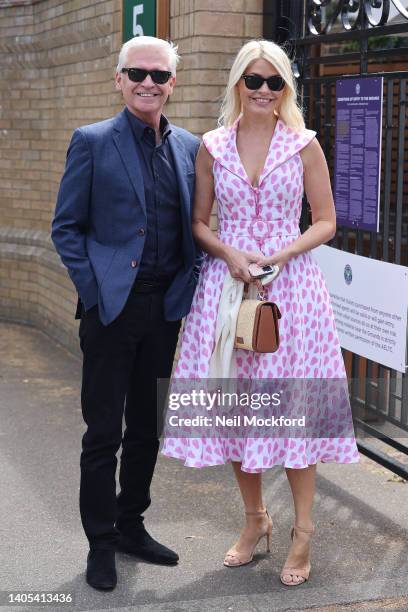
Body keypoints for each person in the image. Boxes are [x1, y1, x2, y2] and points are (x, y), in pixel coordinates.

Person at [162, 39, 359, 586]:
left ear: (286, 90)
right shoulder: (212, 146)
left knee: (292, 412)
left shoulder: (303, 144)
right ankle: (255, 521)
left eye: (275, 83)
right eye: (255, 81)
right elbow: (200, 224)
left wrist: (280, 254)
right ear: (237, 85)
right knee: (236, 411)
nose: (265, 91)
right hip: (226, 292)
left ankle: (303, 531)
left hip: (291, 293)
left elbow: (325, 220)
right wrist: (229, 253)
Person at [51, 36, 201, 590]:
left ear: (172, 84)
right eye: (137, 72)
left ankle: (132, 523)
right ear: (119, 78)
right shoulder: (91, 142)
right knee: (103, 432)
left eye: (159, 75)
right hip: (111, 312)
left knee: (147, 428)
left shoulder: (189, 146)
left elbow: (198, 224)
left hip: (165, 312)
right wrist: (94, 295)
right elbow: (66, 227)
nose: (148, 82)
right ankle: (102, 542)